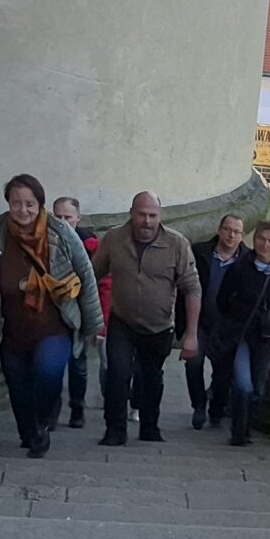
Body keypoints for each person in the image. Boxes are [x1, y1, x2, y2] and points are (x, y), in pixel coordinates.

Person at [0, 173, 103, 458]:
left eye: (29, 204)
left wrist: (93, 324)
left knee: (48, 372)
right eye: (17, 203)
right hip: (12, 332)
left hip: (54, 327)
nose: (23, 210)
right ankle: (30, 433)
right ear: (8, 204)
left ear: (40, 204)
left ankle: (42, 424)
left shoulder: (61, 234)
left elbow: (86, 275)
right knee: (18, 389)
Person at [89, 190, 199, 445]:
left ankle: (150, 426)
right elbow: (93, 274)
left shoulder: (177, 244)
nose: (147, 221)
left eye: (152, 215)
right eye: (141, 215)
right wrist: (92, 317)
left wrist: (191, 334)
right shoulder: (114, 238)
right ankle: (115, 430)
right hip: (122, 321)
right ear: (131, 214)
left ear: (160, 216)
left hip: (159, 326)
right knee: (118, 373)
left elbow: (192, 288)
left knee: (151, 377)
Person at [205, 218, 270, 446]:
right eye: (262, 239)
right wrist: (237, 317)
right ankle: (238, 432)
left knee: (259, 388)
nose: (266, 245)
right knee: (244, 383)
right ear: (254, 240)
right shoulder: (240, 267)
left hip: (266, 337)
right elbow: (222, 299)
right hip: (241, 334)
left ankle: (247, 427)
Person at [186, 212, 247, 430]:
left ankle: (216, 409)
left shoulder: (247, 261)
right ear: (219, 230)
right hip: (200, 321)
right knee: (193, 363)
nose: (231, 235)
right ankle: (199, 404)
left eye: (236, 232)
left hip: (228, 328)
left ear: (242, 235)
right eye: (227, 230)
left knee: (223, 374)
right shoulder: (200, 252)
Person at [52, 195, 101, 429]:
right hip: (52, 312)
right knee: (52, 365)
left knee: (78, 364)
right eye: (58, 217)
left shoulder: (90, 245)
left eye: (68, 217)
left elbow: (97, 284)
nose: (63, 222)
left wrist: (95, 322)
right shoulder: (45, 241)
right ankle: (51, 410)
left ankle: (77, 407)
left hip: (79, 313)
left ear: (78, 218)